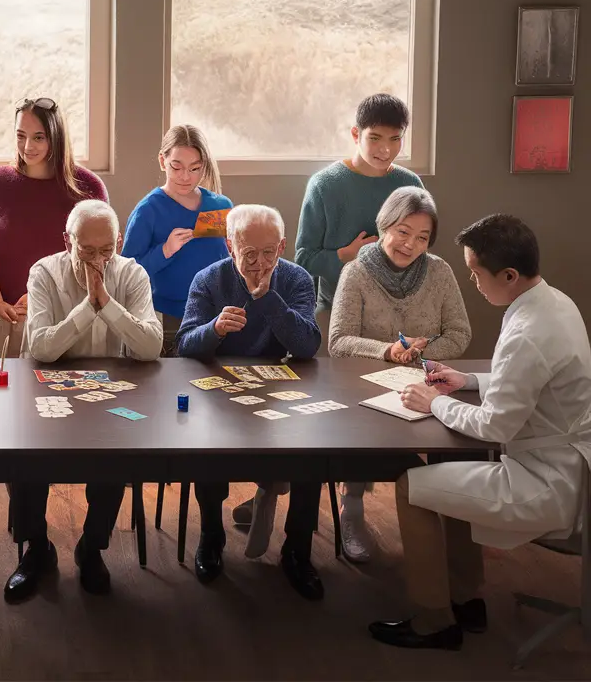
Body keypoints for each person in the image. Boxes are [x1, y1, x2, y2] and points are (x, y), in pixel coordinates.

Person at [371, 214, 591, 650]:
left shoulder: (528, 330)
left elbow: (494, 425)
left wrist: (434, 402)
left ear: (508, 275)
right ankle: (465, 598)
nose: (473, 282)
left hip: (546, 484)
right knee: (453, 472)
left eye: (475, 272)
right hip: (570, 465)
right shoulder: (553, 303)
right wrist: (468, 381)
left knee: (410, 487)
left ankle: (435, 621)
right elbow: (530, 380)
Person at [9, 200, 163, 602]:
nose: (97, 262)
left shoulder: (132, 274)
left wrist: (107, 304)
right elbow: (42, 348)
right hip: (45, 387)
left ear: (119, 243)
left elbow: (151, 346)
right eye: (87, 251)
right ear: (67, 242)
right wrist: (87, 307)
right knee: (22, 456)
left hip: (108, 392)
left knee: (114, 454)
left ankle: (92, 548)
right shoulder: (44, 273)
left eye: (106, 250)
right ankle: (36, 549)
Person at [175, 204, 324, 599]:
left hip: (280, 391)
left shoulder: (295, 278)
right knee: (207, 449)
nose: (259, 264)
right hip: (220, 390)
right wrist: (215, 329)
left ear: (282, 246)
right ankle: (211, 537)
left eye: (269, 253)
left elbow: (308, 346)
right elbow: (184, 345)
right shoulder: (209, 279)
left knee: (313, 454)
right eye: (249, 254)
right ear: (230, 247)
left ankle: (297, 550)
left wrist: (270, 300)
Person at [328, 187, 472, 562]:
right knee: (362, 437)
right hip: (363, 386)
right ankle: (351, 508)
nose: (410, 244)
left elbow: (460, 334)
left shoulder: (440, 272)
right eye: (403, 232)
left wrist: (422, 350)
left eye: (422, 237)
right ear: (385, 225)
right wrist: (387, 351)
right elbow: (338, 341)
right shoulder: (356, 272)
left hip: (427, 381)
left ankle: (452, 521)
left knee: (460, 437)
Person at [0, 97, 108, 358]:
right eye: (20, 136)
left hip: (71, 313)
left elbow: (100, 257)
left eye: (38, 138)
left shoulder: (89, 186)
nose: (27, 146)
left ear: (56, 137)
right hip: (13, 315)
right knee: (16, 383)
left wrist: (40, 296)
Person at [295, 93, 423, 342]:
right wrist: (346, 255)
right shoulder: (324, 185)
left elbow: (422, 254)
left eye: (395, 139)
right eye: (375, 138)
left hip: (399, 316)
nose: (386, 150)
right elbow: (303, 260)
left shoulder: (411, 184)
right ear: (356, 134)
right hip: (336, 313)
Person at [122, 124, 232, 356]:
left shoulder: (221, 206)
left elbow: (229, 262)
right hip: (169, 318)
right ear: (162, 161)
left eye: (195, 168)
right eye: (176, 166)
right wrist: (165, 250)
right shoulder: (148, 211)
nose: (185, 176)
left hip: (216, 316)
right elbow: (125, 274)